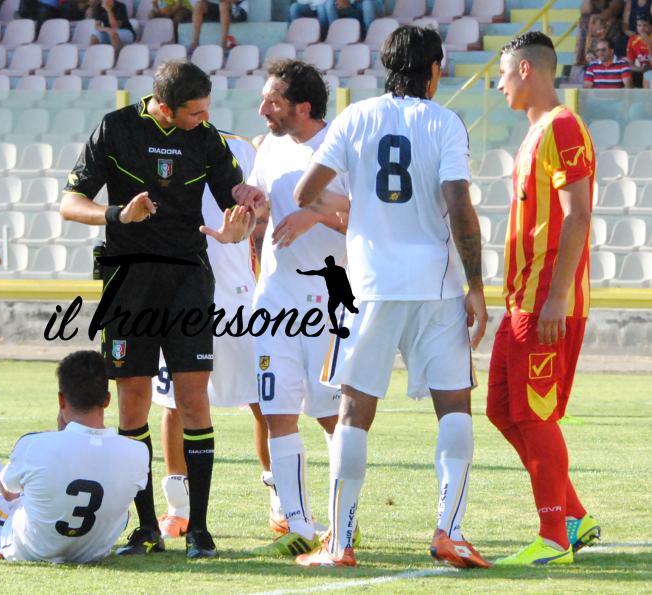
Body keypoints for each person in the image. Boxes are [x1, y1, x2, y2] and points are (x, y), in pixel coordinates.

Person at [292, 25, 490, 569]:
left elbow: (306, 193)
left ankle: (341, 541)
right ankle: (449, 530)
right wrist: (475, 285)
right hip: (436, 283)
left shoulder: (356, 116)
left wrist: (354, 208)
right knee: (454, 405)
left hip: (370, 285)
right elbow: (458, 205)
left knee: (355, 411)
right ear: (434, 69)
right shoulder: (446, 122)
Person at [60, 59, 265, 558]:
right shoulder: (116, 128)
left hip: (188, 280)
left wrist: (244, 213)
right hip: (128, 281)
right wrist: (117, 213)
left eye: (205, 111)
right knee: (132, 401)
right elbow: (70, 202)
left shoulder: (208, 139)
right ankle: (146, 526)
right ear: (166, 107)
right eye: (195, 113)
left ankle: (199, 529)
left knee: (194, 401)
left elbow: (233, 199)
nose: (203, 119)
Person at [490, 31, 601, 566]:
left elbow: (578, 213)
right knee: (501, 410)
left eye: (504, 74)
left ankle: (555, 537)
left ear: (528, 71)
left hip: (544, 305)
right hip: (520, 302)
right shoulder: (535, 132)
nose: (499, 84)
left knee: (534, 414)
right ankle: (574, 514)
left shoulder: (562, 125)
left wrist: (556, 298)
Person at [237, 59, 347, 559]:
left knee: (333, 417)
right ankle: (299, 523)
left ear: (303, 107)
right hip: (275, 299)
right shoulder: (270, 147)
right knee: (277, 411)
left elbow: (368, 221)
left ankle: (345, 525)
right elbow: (261, 210)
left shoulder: (342, 148)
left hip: (330, 304)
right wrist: (252, 202)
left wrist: (314, 215)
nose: (264, 110)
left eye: (274, 102)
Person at [151, 133, 280, 541]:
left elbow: (267, 202)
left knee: (265, 401)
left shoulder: (240, 148)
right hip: (177, 296)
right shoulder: (154, 147)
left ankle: (280, 499)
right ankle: (178, 508)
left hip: (239, 297)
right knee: (173, 403)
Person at [0, 350, 149, 562]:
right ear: (107, 400)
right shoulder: (138, 451)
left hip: (27, 548)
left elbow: (7, 493)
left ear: (61, 400)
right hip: (92, 552)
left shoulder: (35, 444)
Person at [626, 14, 651, 84]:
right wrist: (639, 69)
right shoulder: (633, 40)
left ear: (650, 27)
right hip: (641, 70)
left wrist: (649, 44)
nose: (642, 28)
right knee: (627, 75)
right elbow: (629, 64)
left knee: (648, 73)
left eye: (645, 25)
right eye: (639, 25)